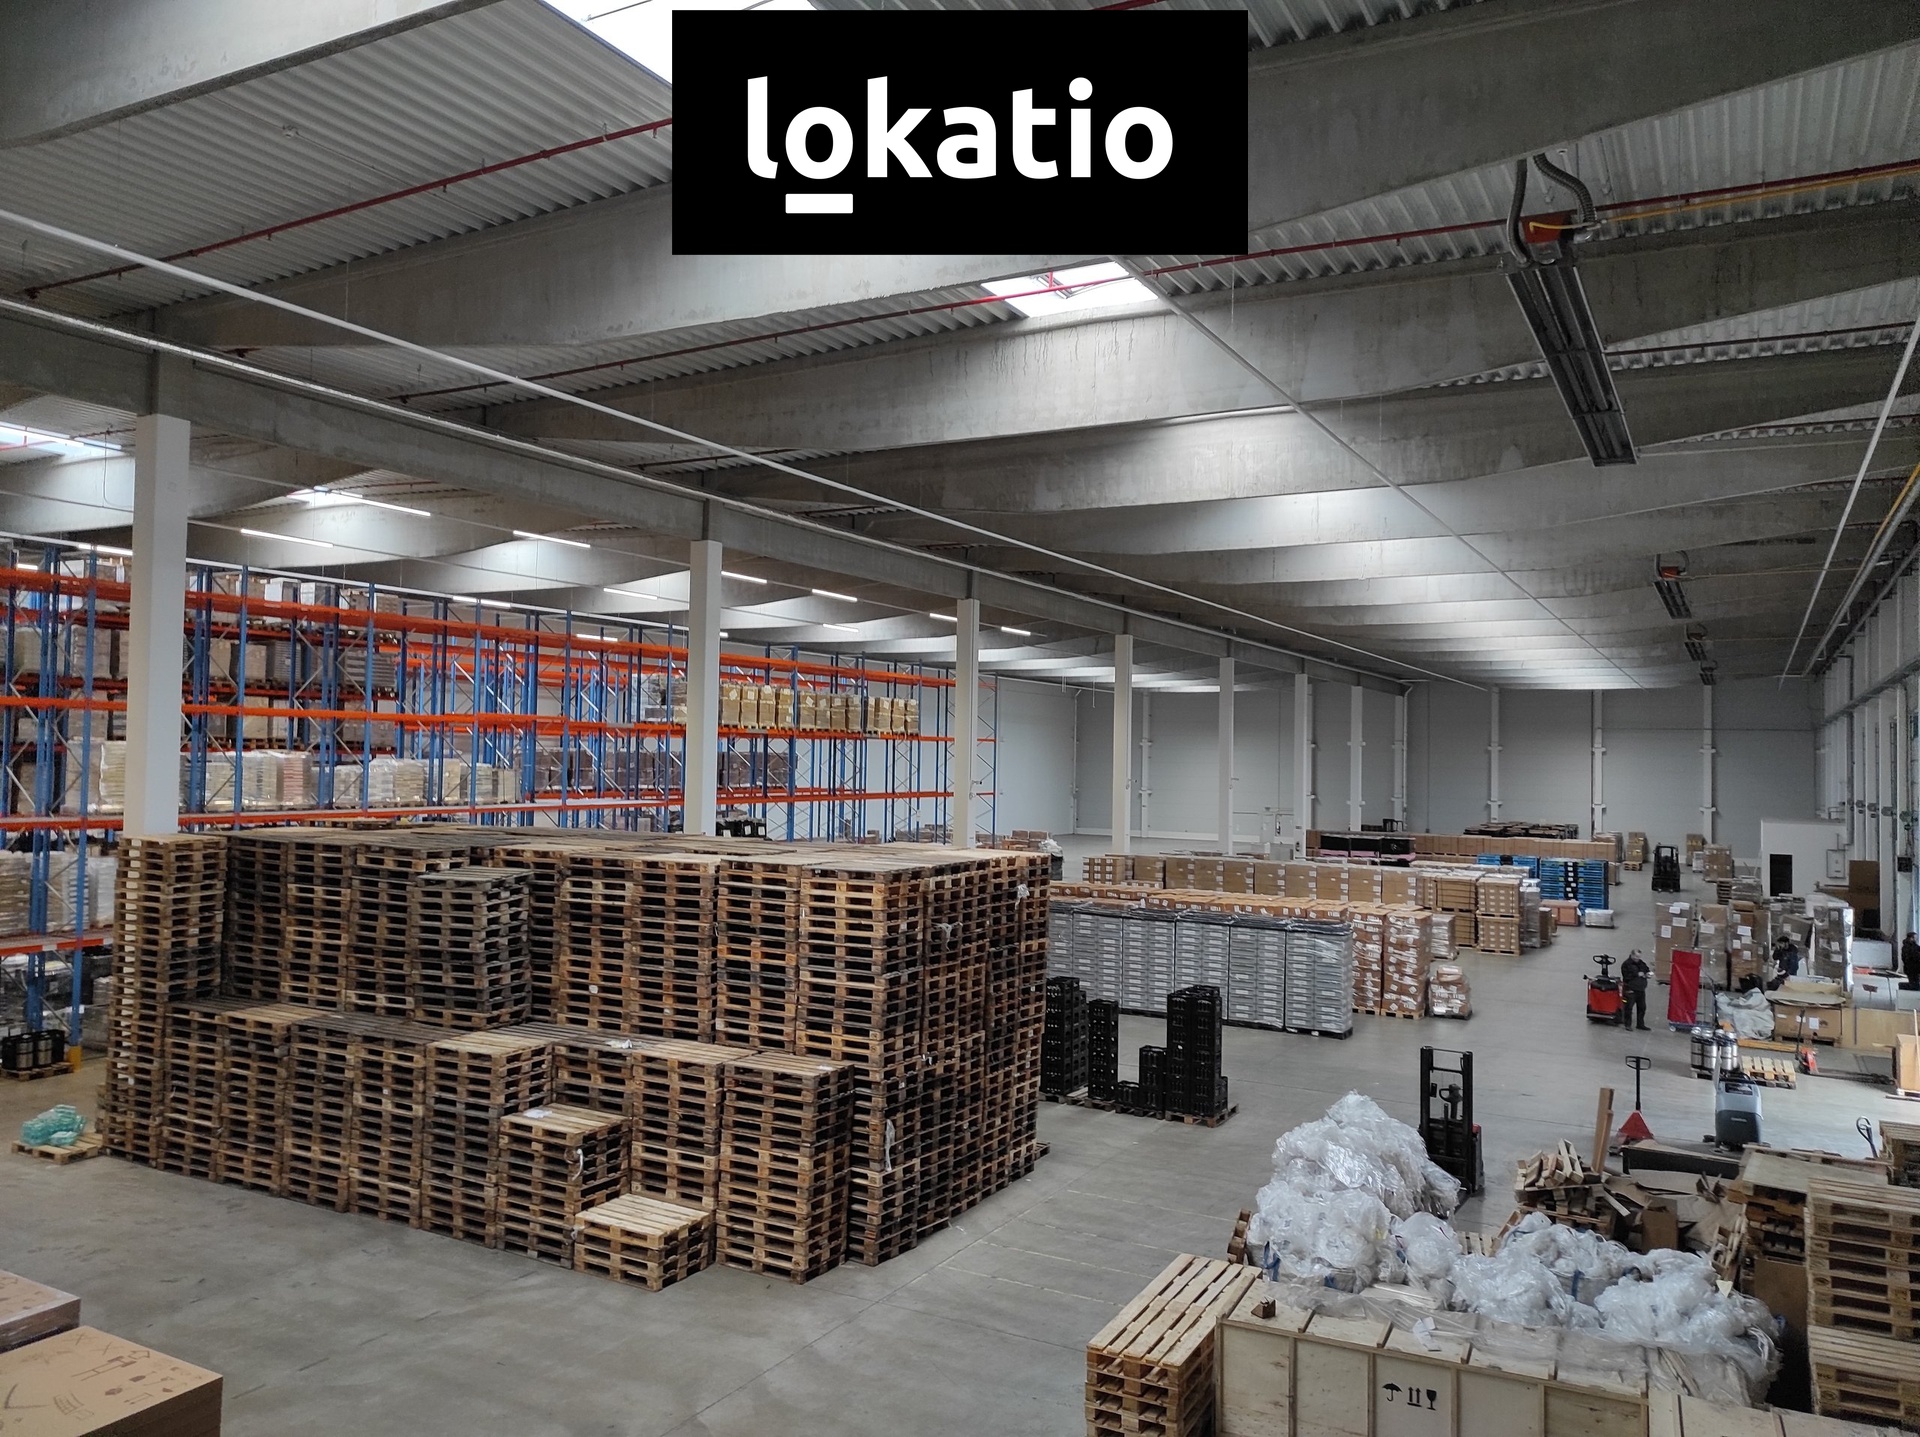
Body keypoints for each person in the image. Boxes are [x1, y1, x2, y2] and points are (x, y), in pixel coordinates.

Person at [1619, 951, 1651, 1031]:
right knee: (1629, 1007)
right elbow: (1626, 976)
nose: (1638, 958)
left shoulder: (1641, 963)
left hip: (1641, 989)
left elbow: (1646, 969)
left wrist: (1647, 974)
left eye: (1639, 957)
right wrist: (1637, 974)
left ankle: (1640, 1024)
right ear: (1632, 955)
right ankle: (1627, 1024)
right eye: (1636, 956)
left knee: (1642, 1007)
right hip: (1630, 989)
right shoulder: (1626, 964)